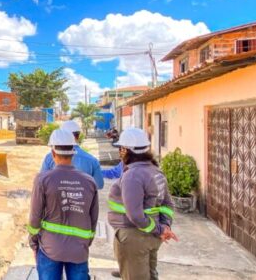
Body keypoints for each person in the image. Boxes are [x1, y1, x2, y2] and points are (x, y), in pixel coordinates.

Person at [28, 129, 99, 280]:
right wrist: (86, 243)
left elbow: (35, 218)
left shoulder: (43, 180)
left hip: (49, 249)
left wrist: (34, 244)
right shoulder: (89, 181)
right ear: (73, 152)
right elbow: (93, 219)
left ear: (53, 153)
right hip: (78, 250)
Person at [107, 128, 177, 280]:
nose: (119, 152)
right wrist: (165, 226)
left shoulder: (133, 175)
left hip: (134, 237)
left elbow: (135, 215)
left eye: (121, 149)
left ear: (126, 150)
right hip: (150, 237)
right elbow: (168, 205)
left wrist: (160, 230)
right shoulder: (155, 171)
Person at [41, 120, 104, 189]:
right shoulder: (92, 160)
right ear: (78, 136)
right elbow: (99, 185)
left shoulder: (50, 157)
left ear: (61, 136)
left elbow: (42, 181)